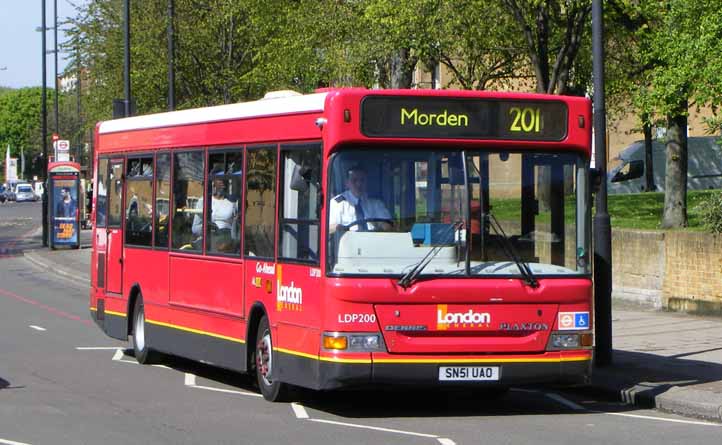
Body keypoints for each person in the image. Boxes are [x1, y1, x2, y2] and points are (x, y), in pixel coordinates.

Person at [329, 165, 392, 233]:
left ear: (367, 182)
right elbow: (329, 228)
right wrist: (339, 228)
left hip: (373, 241)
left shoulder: (376, 203)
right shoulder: (337, 204)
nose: (359, 184)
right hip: (348, 242)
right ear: (347, 183)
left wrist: (381, 224)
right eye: (354, 180)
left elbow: (388, 227)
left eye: (362, 180)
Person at [192, 178, 239, 251]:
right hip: (208, 243)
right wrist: (207, 227)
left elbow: (235, 229)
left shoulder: (233, 202)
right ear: (213, 183)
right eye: (219, 178)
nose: (222, 181)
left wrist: (233, 244)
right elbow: (194, 229)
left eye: (225, 178)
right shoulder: (203, 201)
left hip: (227, 244)